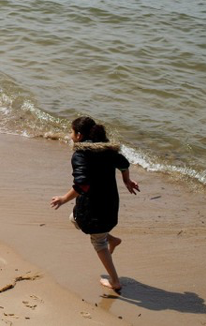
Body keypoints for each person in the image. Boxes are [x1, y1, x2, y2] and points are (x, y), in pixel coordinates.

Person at [50, 116, 140, 294]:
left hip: (95, 207)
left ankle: (115, 281)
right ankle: (112, 239)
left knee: (98, 243)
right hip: (109, 202)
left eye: (71, 132)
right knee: (74, 219)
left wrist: (63, 199)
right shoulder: (107, 150)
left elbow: (82, 184)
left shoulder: (81, 154)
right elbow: (123, 164)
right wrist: (127, 180)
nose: (70, 135)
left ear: (79, 135)